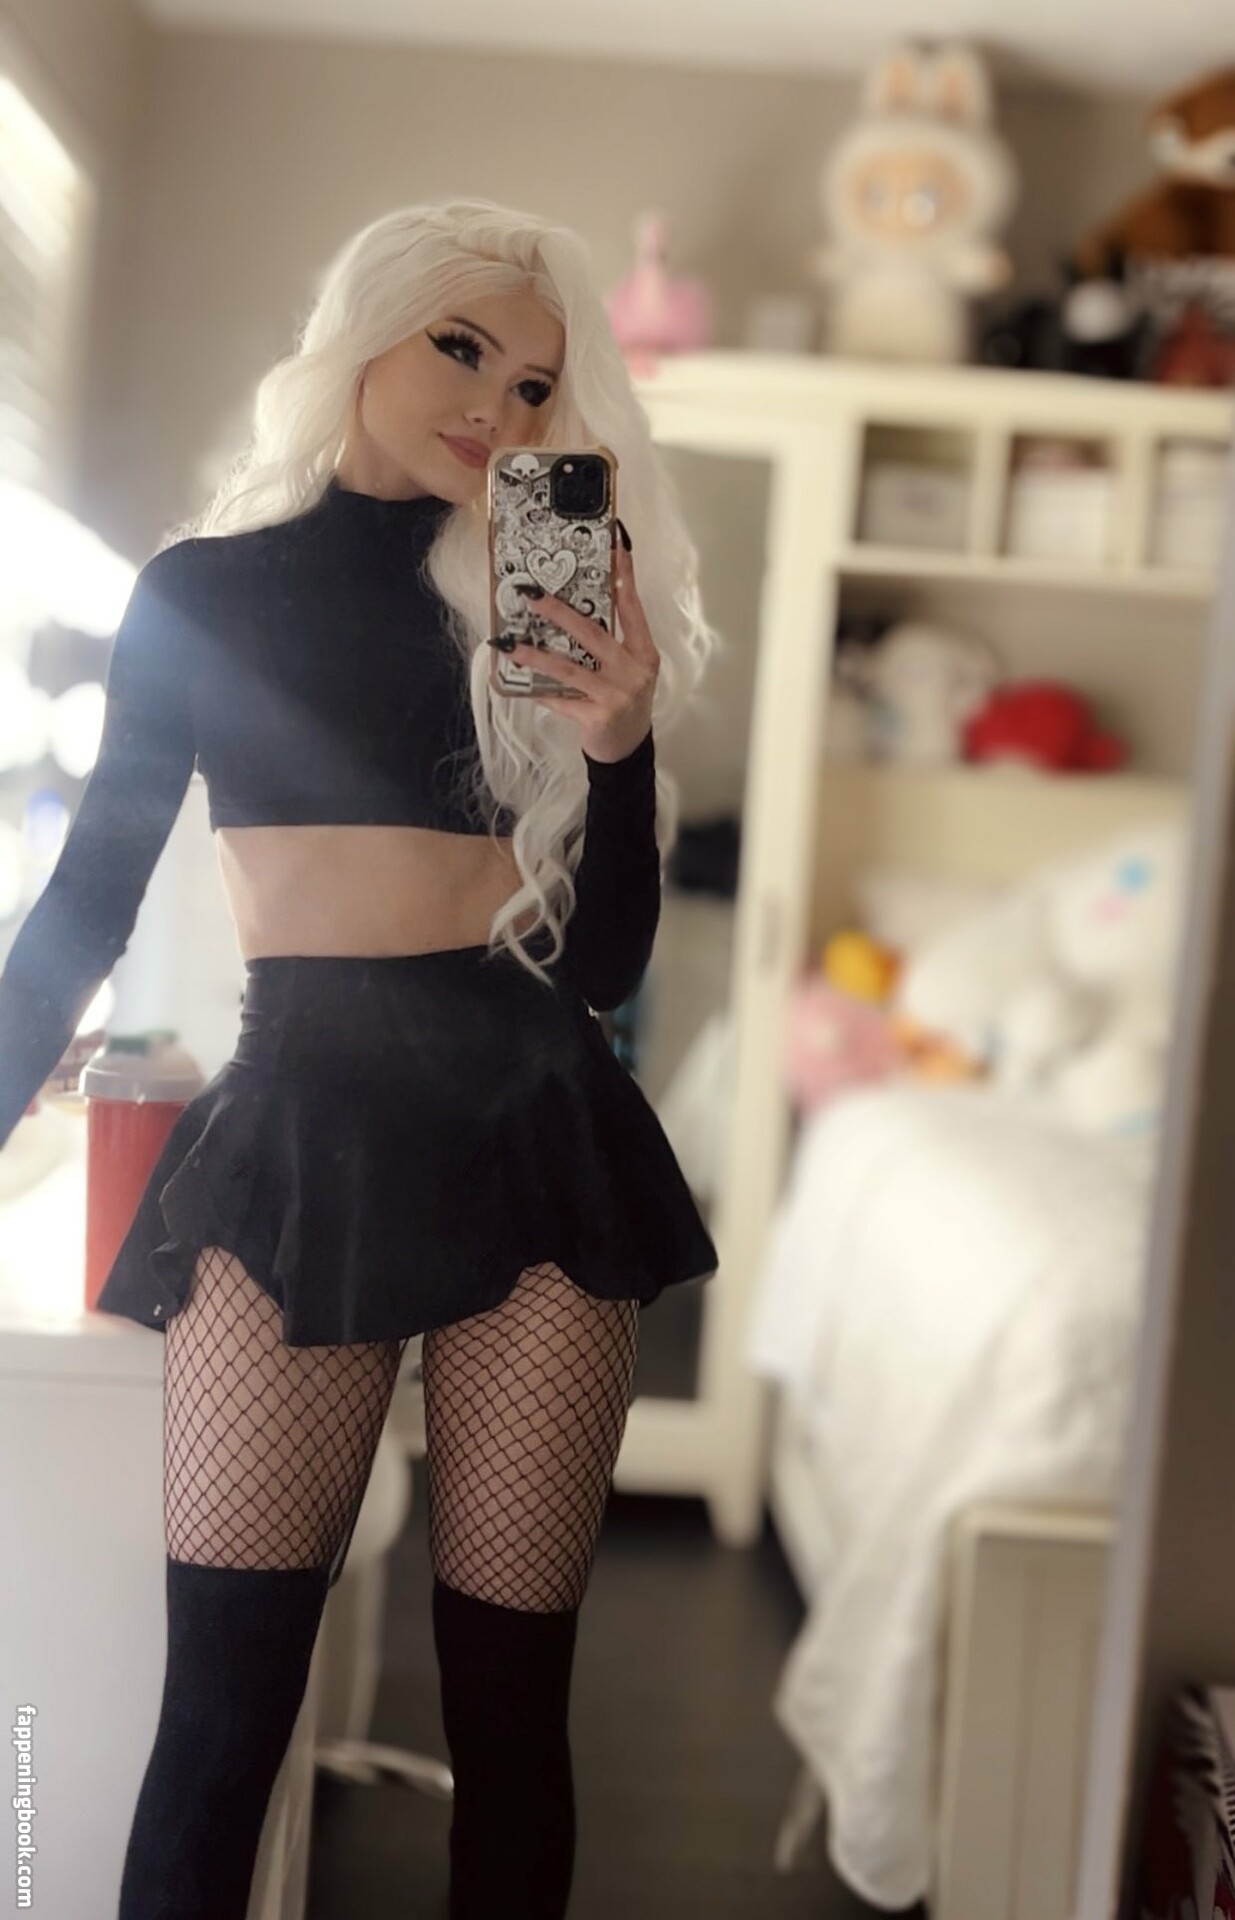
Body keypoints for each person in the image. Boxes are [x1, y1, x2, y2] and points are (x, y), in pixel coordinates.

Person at [0, 196, 720, 1918]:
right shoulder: (203, 593)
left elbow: (603, 971)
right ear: (362, 332)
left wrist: (621, 746)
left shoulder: (528, 596)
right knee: (220, 1723)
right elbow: (87, 897)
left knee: (512, 1720)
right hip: (303, 1132)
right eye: (460, 348)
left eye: (535, 384)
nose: (495, 406)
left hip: (539, 1136)